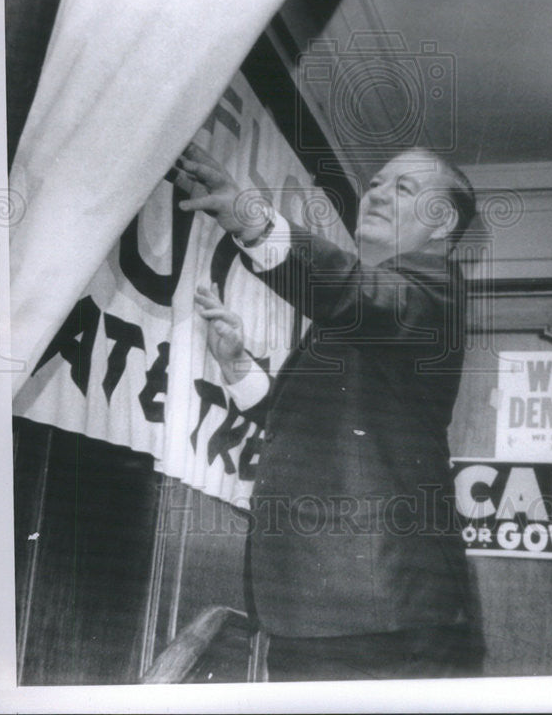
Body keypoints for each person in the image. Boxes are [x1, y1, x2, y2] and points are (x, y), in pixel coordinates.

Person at [177, 143, 481, 681]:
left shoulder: (435, 291)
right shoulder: (368, 310)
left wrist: (251, 220)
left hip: (380, 616)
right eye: (378, 184)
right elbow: (305, 426)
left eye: (404, 188)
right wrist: (238, 366)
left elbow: (354, 292)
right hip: (327, 611)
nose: (378, 194)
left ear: (442, 222)